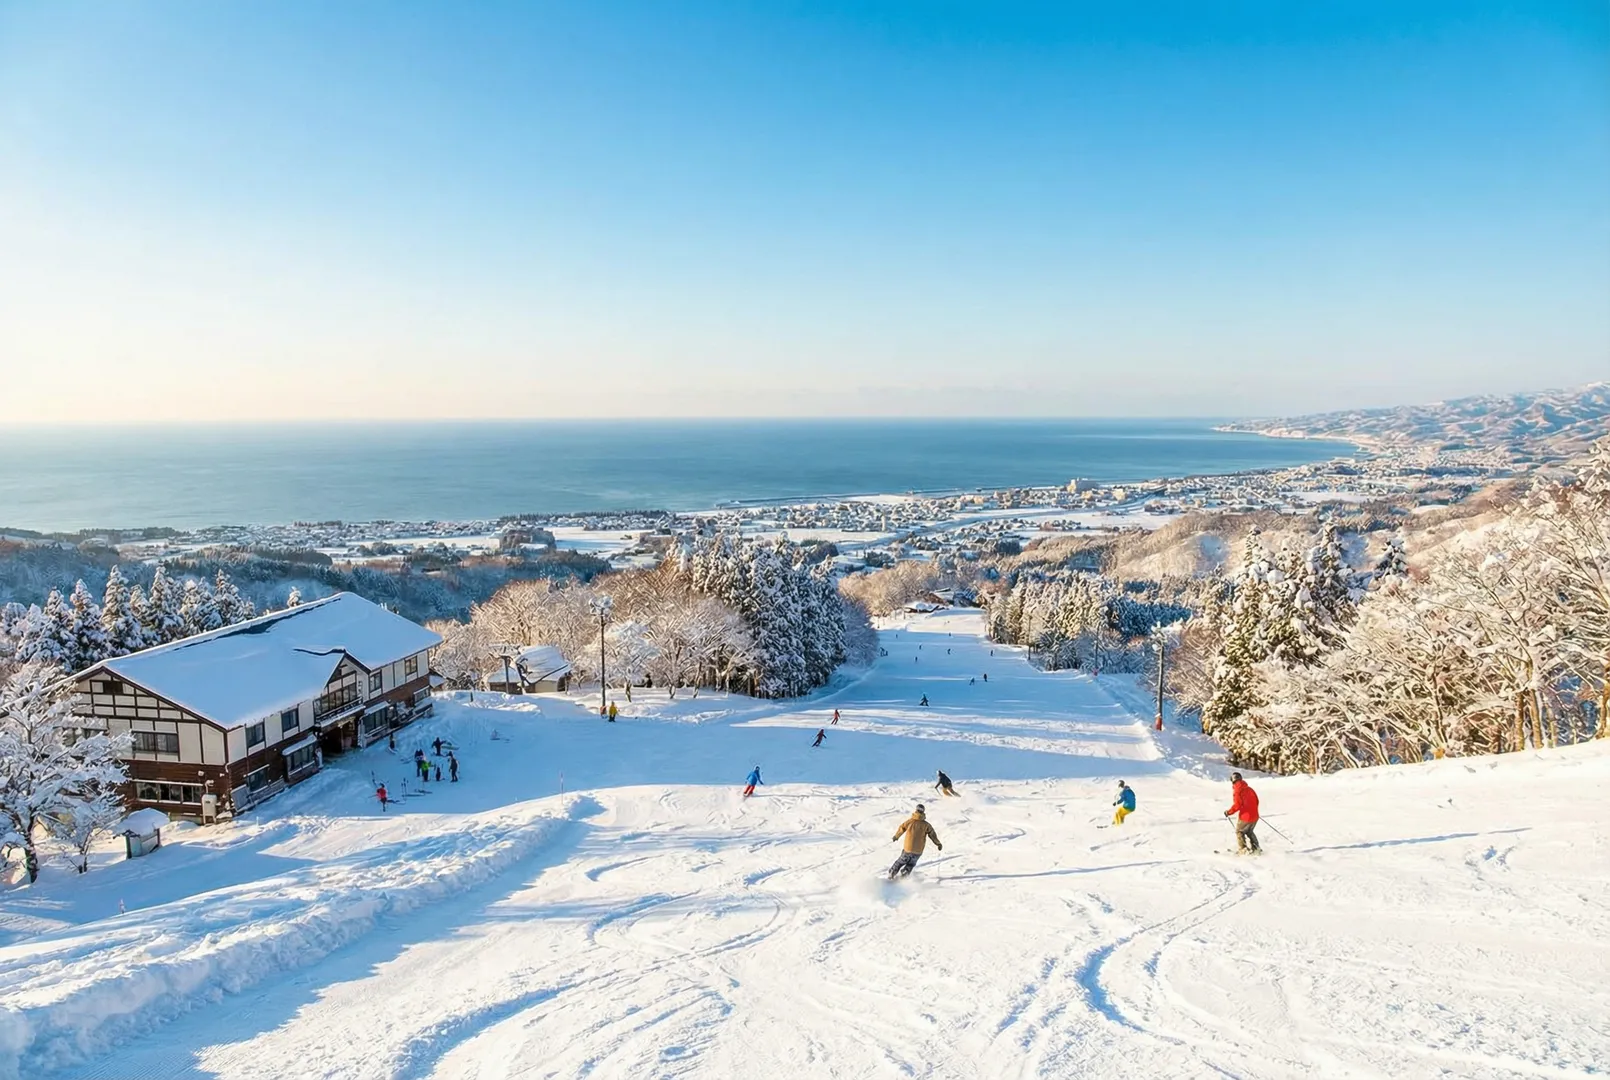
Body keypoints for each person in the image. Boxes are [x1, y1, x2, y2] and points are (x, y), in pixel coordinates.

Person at [889, 804, 942, 879]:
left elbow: (902, 828)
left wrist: (896, 836)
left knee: (901, 861)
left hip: (908, 848)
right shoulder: (926, 825)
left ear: (916, 810)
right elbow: (933, 835)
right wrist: (938, 844)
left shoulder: (910, 822)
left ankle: (892, 873)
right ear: (923, 812)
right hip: (918, 851)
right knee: (911, 864)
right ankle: (904, 874)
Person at [1224, 772, 1261, 853]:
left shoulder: (1237, 791)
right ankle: (1256, 848)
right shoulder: (1249, 789)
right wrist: (1253, 810)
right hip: (1255, 815)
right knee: (1249, 831)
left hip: (1246, 816)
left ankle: (1243, 850)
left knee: (1239, 831)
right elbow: (1257, 801)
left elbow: (1237, 805)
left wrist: (1228, 812)